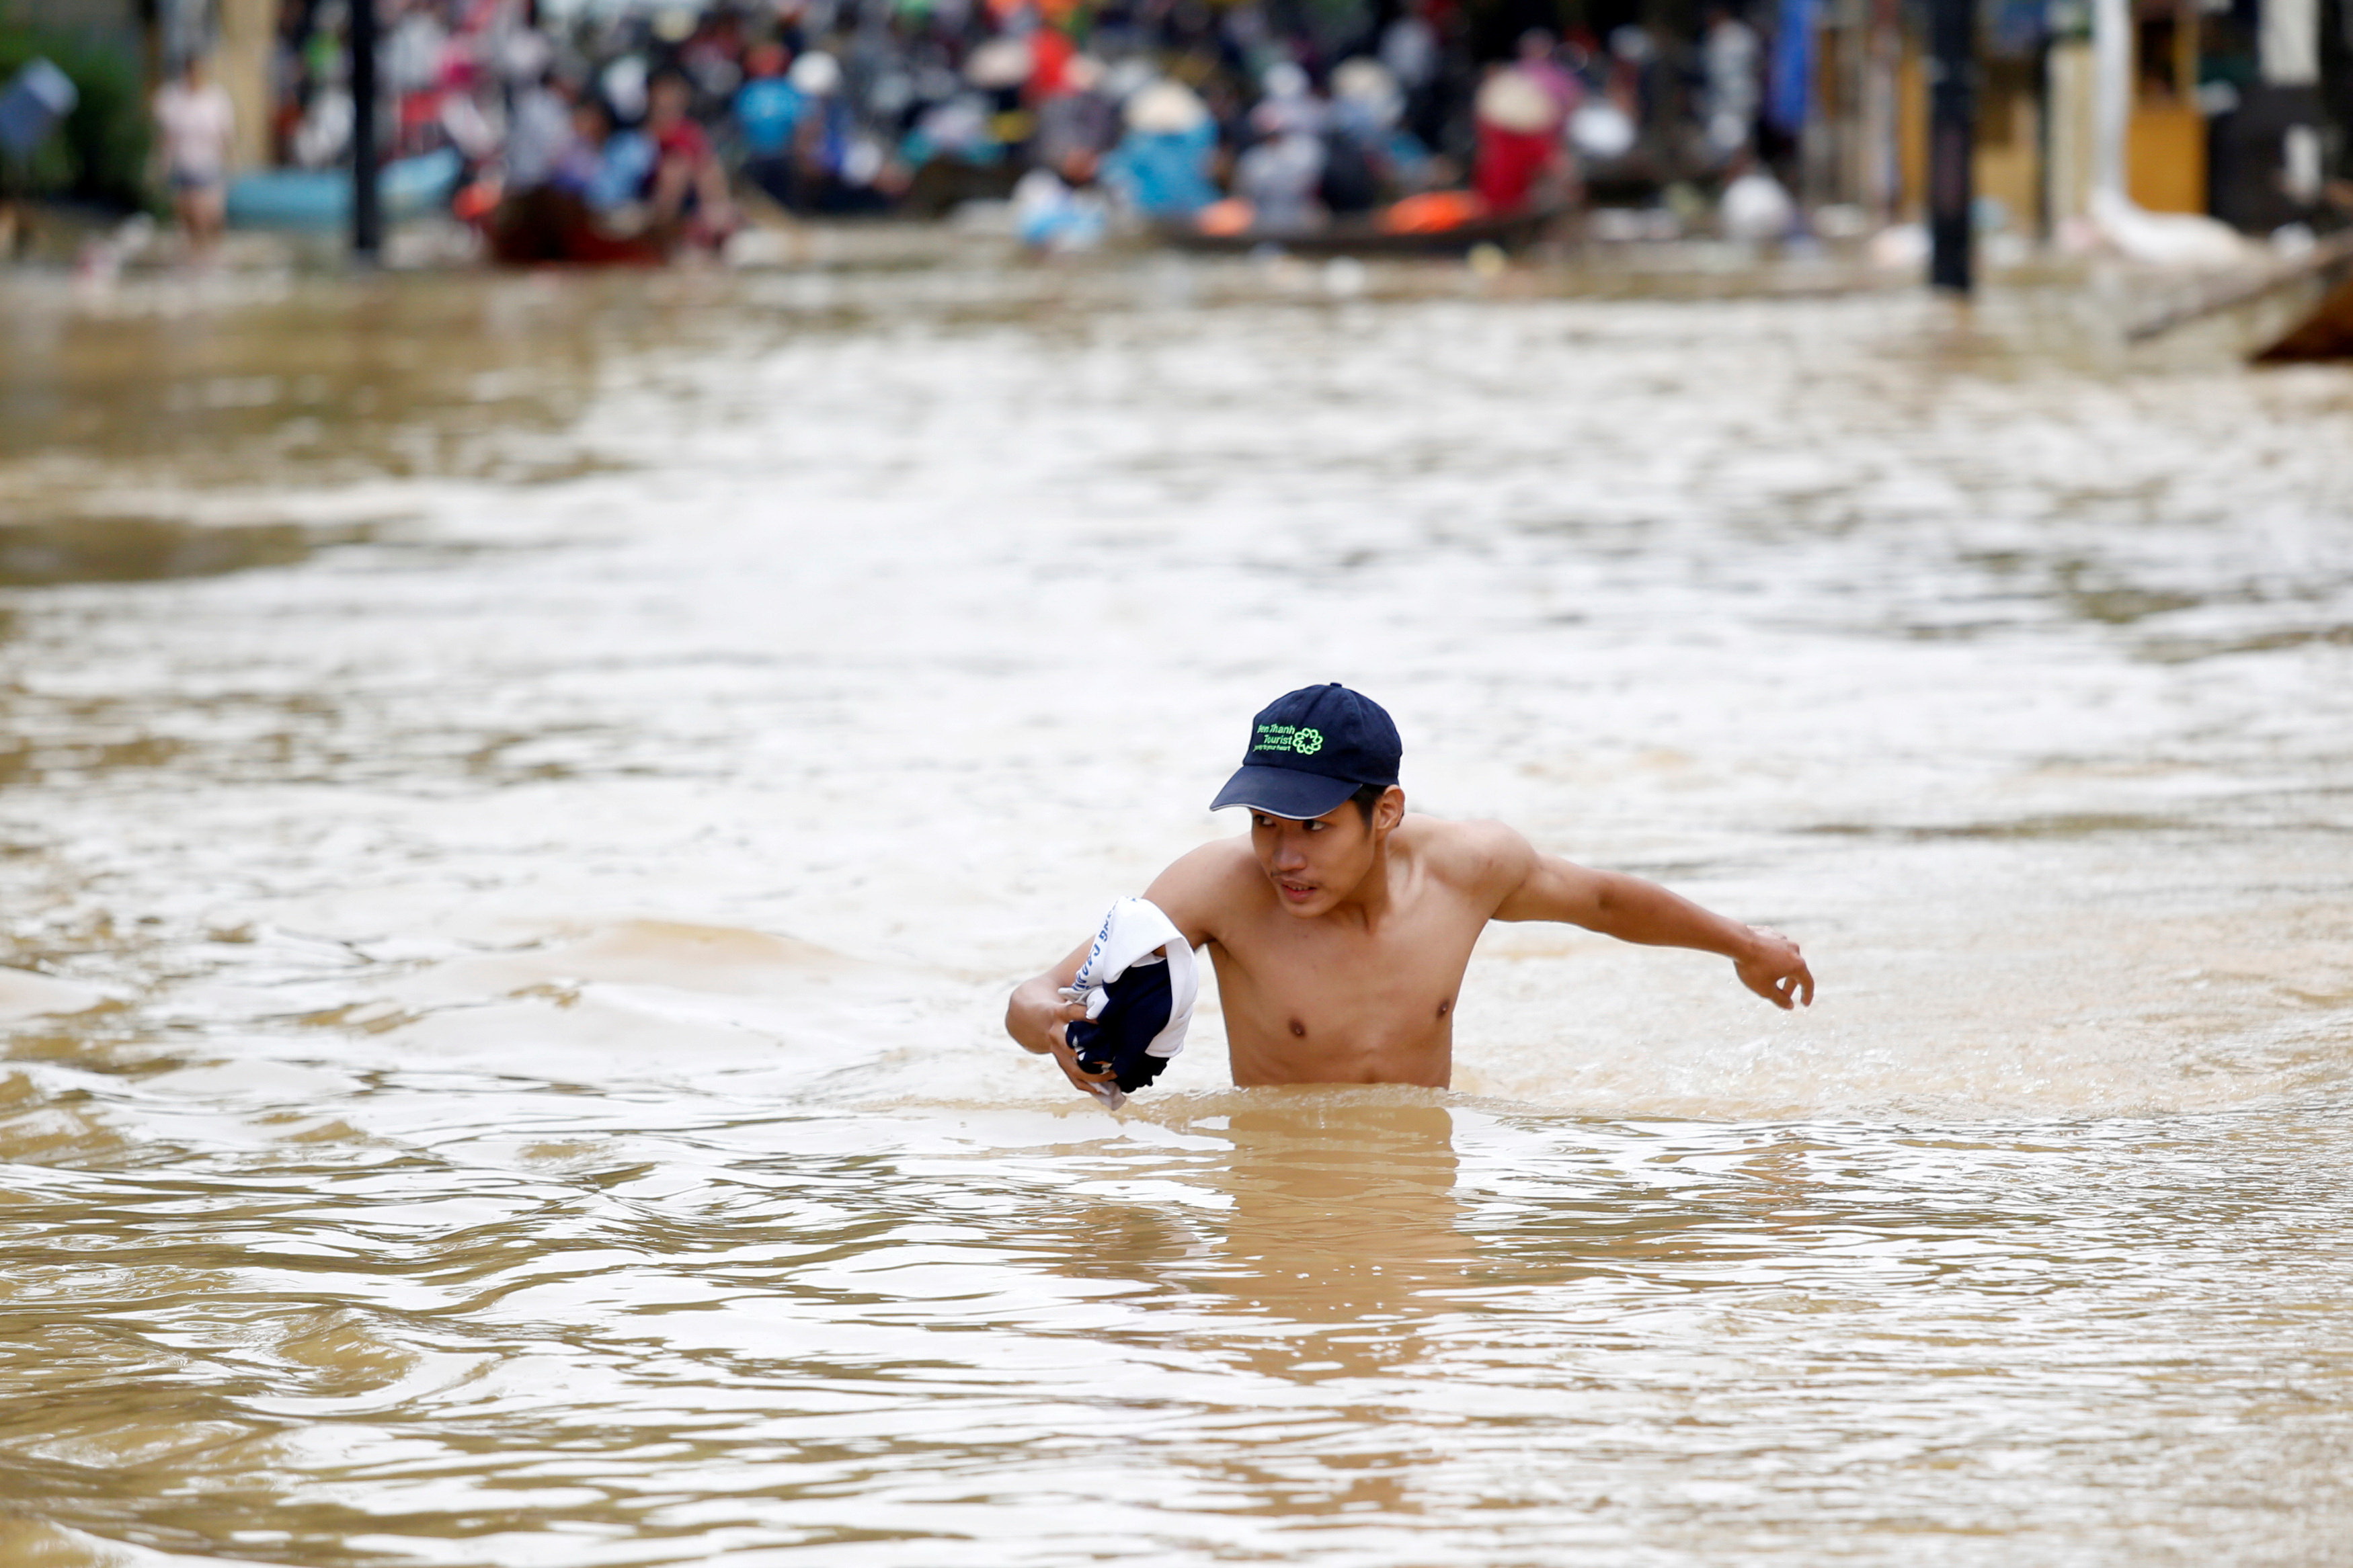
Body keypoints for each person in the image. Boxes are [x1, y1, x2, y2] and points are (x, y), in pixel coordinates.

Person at [1006, 684, 1814, 1095]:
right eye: (1265, 822)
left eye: (1312, 826)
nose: (1282, 855)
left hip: (1417, 1176)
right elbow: (1035, 993)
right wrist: (1045, 1016)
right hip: (1281, 1183)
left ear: (1384, 811)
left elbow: (1600, 901)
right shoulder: (1219, 886)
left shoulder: (1468, 867)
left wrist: (1745, 945)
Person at [153, 53, 235, 257]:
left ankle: (211, 258)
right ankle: (192, 263)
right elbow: (166, 137)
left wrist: (230, 168)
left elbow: (225, 137)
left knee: (208, 220)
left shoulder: (217, 99)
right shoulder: (172, 98)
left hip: (208, 167)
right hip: (183, 166)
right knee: (186, 222)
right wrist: (161, 166)